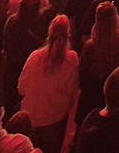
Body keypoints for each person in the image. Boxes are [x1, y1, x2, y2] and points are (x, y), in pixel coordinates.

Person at [18, 15, 79, 153]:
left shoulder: (35, 56)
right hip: (54, 120)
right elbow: (72, 94)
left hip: (30, 118)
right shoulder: (71, 60)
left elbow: (21, 88)